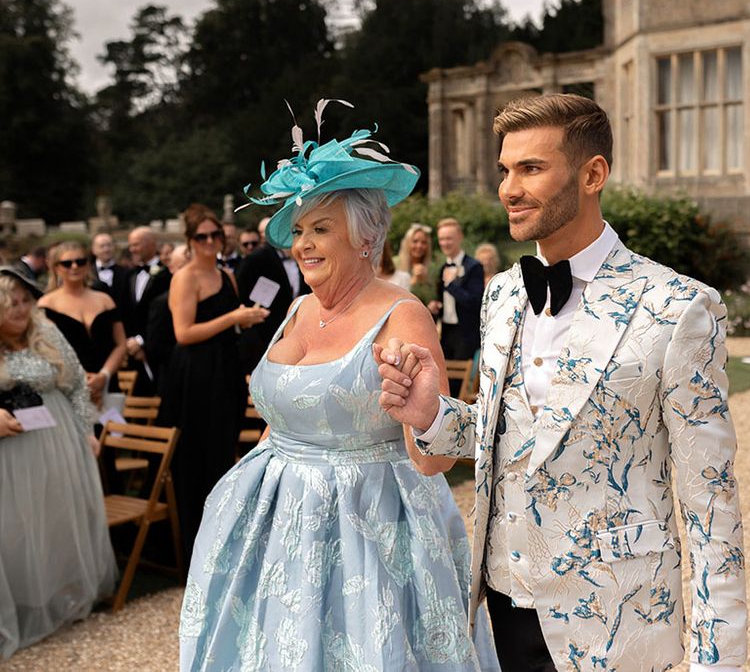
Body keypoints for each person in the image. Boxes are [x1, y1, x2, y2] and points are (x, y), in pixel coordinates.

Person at [375, 93, 748, 671]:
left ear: (592, 173)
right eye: (505, 170)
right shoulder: (500, 294)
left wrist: (717, 662)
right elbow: (511, 437)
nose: (508, 189)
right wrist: (433, 414)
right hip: (504, 609)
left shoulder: (678, 309)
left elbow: (712, 507)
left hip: (615, 620)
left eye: (531, 168)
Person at [179, 104, 499, 671]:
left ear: (367, 237)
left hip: (368, 528)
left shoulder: (401, 315)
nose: (303, 243)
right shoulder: (297, 308)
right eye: (299, 230)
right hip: (272, 519)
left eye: (321, 229)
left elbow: (433, 460)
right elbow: (280, 418)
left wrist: (421, 412)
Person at [0, 266, 117, 660]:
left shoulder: (45, 331)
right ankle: (22, 605)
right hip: (11, 455)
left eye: (23, 301)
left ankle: (59, 598)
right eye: (9, 303)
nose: (19, 310)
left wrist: (87, 430)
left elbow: (78, 384)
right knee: (17, 525)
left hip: (60, 441)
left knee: (55, 518)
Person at [158, 205, 268, 568]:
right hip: (194, 375)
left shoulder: (227, 275)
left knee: (223, 454)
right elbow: (183, 333)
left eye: (215, 235)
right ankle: (195, 553)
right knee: (195, 460)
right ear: (190, 241)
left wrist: (247, 319)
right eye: (202, 236)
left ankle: (227, 545)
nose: (210, 242)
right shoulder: (184, 278)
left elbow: (229, 326)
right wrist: (233, 317)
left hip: (225, 371)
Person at [39, 241, 127, 407]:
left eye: (80, 261)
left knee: (113, 431)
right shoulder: (46, 304)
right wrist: (82, 380)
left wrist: (104, 376)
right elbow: (47, 350)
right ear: (56, 268)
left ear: (87, 265)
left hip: (108, 383)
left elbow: (121, 344)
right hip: (68, 387)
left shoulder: (105, 300)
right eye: (67, 263)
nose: (74, 266)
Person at [236, 223, 310, 376]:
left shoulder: (307, 257)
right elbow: (240, 293)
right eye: (295, 232)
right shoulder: (256, 258)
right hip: (262, 336)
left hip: (298, 335)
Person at [428, 218, 483, 364]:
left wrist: (451, 285)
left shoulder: (474, 267)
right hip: (446, 332)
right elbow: (446, 303)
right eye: (441, 239)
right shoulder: (442, 269)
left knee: (461, 383)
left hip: (465, 334)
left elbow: (474, 302)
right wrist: (436, 308)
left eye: (449, 238)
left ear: (460, 237)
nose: (445, 243)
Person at [125, 226, 171, 395]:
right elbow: (128, 312)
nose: (132, 249)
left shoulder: (166, 275)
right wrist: (132, 341)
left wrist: (142, 340)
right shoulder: (130, 275)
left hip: (156, 348)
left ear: (151, 244)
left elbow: (164, 317)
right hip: (133, 350)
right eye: (130, 245)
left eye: (136, 244)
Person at [144, 244, 190, 394]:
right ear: (172, 269)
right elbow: (155, 346)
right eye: (184, 266)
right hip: (174, 378)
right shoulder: (162, 303)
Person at [91, 232, 131, 316]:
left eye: (109, 245)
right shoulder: (87, 273)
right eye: (102, 246)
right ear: (93, 250)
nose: (106, 249)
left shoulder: (127, 272)